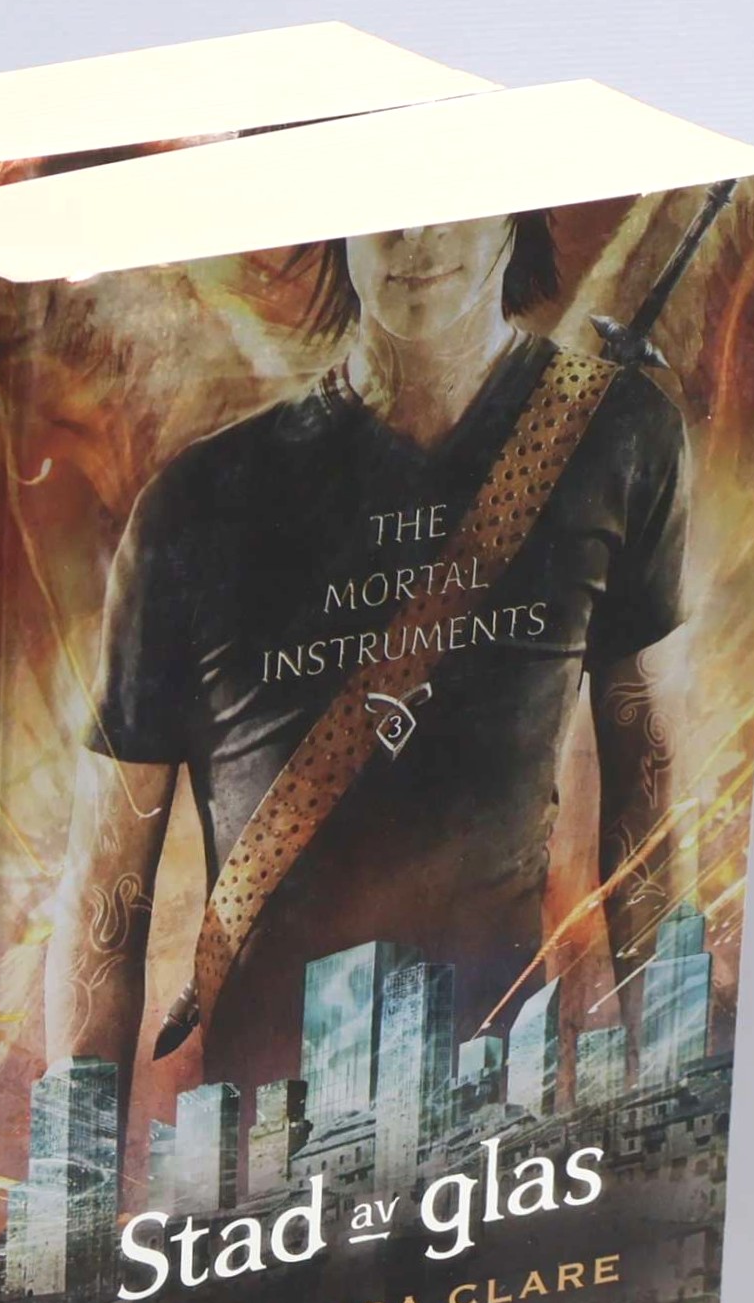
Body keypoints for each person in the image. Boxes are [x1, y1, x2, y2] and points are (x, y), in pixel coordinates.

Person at [42, 210, 690, 1137]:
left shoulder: (620, 437)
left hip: (499, 1130)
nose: (416, 240)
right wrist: (76, 1183)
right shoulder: (195, 505)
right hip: (261, 1154)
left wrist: (664, 1091)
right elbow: (106, 894)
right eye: (384, 208)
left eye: (451, 202)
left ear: (516, 208)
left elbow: (646, 806)